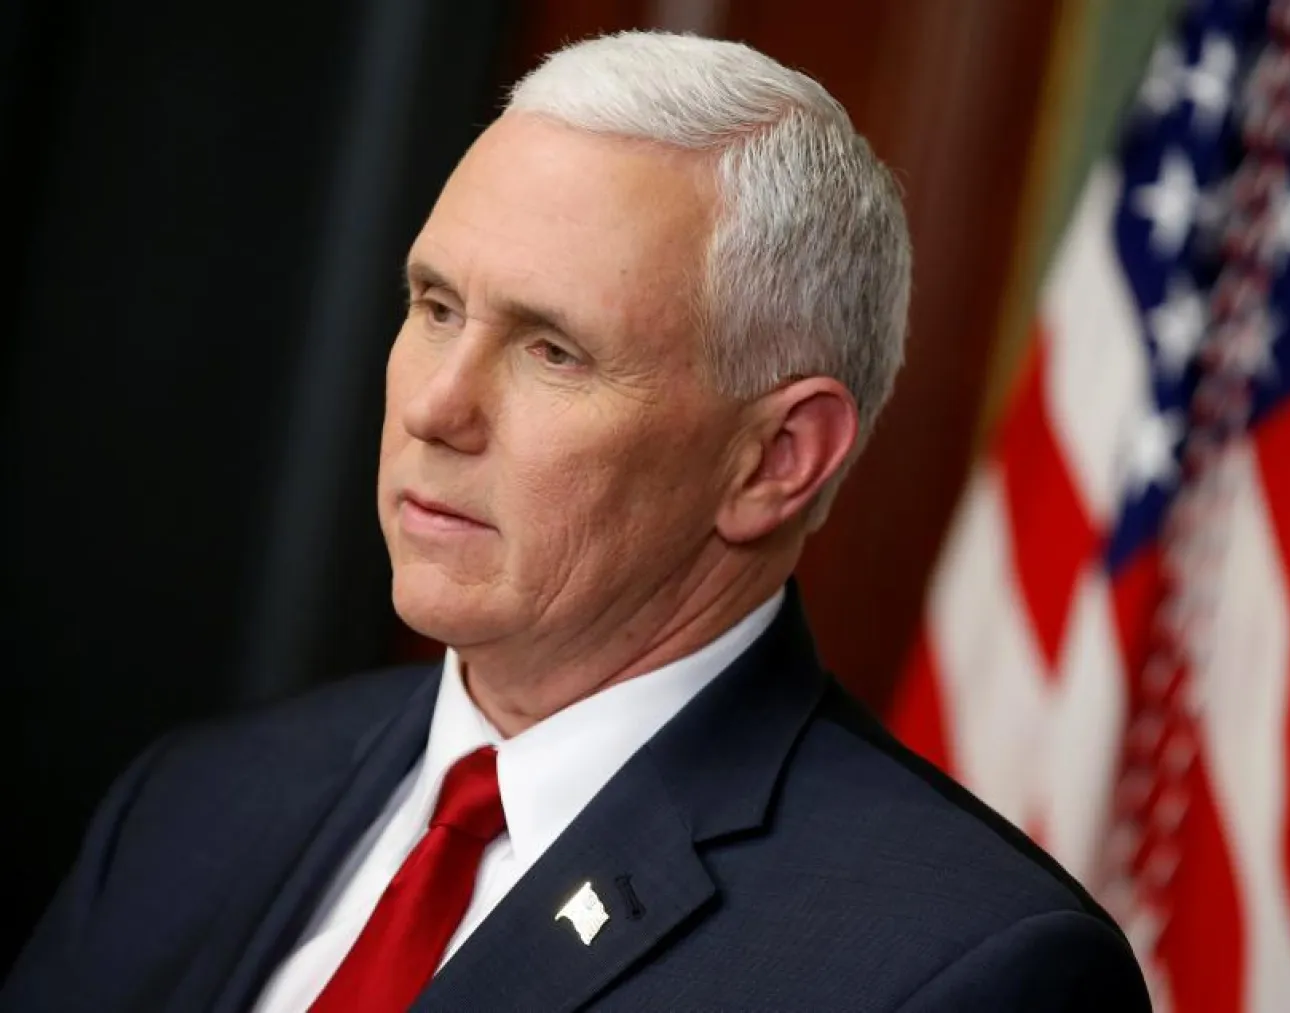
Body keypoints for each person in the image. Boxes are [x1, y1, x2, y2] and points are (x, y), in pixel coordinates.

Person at [2, 31, 1149, 1013]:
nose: (435, 405)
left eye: (553, 349)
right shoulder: (194, 800)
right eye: (435, 305)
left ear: (774, 460)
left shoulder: (958, 966)